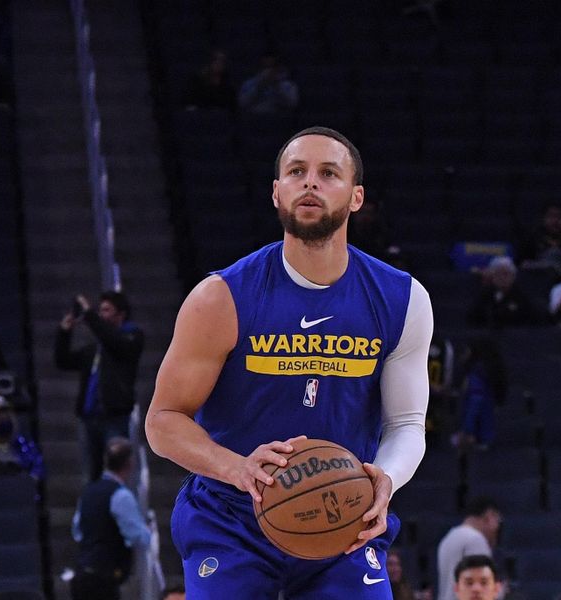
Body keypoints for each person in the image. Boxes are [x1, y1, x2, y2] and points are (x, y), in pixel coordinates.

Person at [145, 126, 432, 598]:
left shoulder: (403, 299)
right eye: (296, 172)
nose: (310, 183)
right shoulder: (221, 298)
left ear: (356, 197)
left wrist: (387, 478)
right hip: (229, 517)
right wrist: (238, 468)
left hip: (342, 515)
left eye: (328, 173)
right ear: (277, 192)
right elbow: (162, 421)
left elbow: (406, 422)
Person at [55, 291, 144, 482]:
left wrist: (89, 315)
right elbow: (63, 361)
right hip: (89, 420)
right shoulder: (95, 349)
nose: (101, 314)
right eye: (100, 310)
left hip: (114, 418)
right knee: (90, 476)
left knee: (117, 474)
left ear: (121, 314)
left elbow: (115, 343)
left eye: (106, 310)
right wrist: (64, 332)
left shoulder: (132, 337)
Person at [71, 437, 151, 600]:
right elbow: (138, 536)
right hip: (103, 579)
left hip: (82, 573)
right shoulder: (121, 496)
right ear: (130, 463)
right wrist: (148, 531)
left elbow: (77, 531)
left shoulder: (88, 492)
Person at [437, 497, 502, 600]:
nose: (497, 527)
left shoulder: (448, 538)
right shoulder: (475, 540)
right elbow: (480, 582)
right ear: (489, 516)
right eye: (497, 520)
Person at [451, 338, 507, 452]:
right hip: (484, 439)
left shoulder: (477, 378)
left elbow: (475, 404)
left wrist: (467, 432)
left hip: (478, 440)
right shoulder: (485, 375)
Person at [466, 256, 539, 328]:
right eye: (498, 274)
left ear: (513, 276)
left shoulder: (522, 295)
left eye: (506, 274)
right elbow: (473, 317)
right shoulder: (485, 294)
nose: (502, 278)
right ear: (492, 276)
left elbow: (531, 319)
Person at [518, 202, 561, 277]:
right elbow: (523, 263)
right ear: (544, 219)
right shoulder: (533, 239)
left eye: (559, 216)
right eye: (551, 216)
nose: (555, 221)